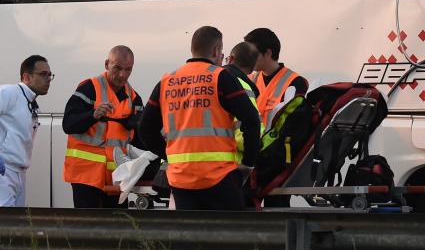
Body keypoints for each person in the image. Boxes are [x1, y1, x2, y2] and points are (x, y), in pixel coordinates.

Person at [139, 26, 262, 210]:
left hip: (181, 181)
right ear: (216, 50)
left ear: (193, 48)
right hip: (219, 177)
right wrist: (248, 164)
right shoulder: (221, 77)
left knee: (191, 235)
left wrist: (169, 155)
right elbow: (251, 120)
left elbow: (145, 128)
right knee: (230, 235)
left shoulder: (167, 81)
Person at [62, 46, 142, 208]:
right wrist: (93, 115)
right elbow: (68, 124)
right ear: (107, 64)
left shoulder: (134, 99)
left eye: (128, 70)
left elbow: (140, 139)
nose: (122, 75)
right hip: (85, 175)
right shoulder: (89, 88)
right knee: (86, 227)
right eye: (117, 68)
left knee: (115, 228)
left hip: (117, 178)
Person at [0, 56, 51, 207]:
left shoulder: (30, 102)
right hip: (5, 172)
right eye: (43, 74)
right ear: (26, 77)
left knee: (16, 225)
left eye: (50, 75)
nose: (48, 79)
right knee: (6, 224)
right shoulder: (9, 93)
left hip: (19, 173)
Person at [244, 28, 308, 128]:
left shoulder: (295, 82)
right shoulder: (247, 80)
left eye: (253, 54)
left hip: (275, 142)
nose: (248, 58)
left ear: (268, 53)